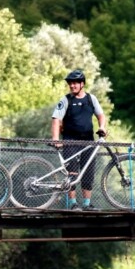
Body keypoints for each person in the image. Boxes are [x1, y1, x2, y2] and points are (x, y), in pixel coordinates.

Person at [51, 69, 107, 210]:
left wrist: (102, 128)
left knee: (88, 172)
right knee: (71, 172)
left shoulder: (91, 99)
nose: (72, 86)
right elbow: (56, 119)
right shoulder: (65, 100)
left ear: (82, 84)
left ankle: (87, 204)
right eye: (70, 83)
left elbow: (101, 116)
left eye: (75, 83)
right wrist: (56, 139)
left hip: (88, 141)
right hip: (70, 141)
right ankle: (73, 203)